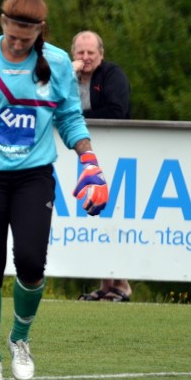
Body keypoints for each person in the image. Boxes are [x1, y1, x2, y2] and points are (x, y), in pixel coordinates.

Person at [0, 0, 109, 380]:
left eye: (27, 38)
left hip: (34, 176)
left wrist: (89, 159)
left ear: (40, 30)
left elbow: (69, 117)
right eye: (12, 37)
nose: (19, 45)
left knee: (32, 262)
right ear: (2, 23)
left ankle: (20, 339)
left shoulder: (57, 63)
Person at [71, 30, 133, 302]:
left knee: (116, 215)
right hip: (80, 156)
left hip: (115, 155)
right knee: (92, 215)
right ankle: (106, 283)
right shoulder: (66, 76)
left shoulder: (112, 75)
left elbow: (117, 111)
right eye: (80, 52)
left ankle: (122, 283)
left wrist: (76, 118)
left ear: (101, 54)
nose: (85, 57)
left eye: (91, 53)